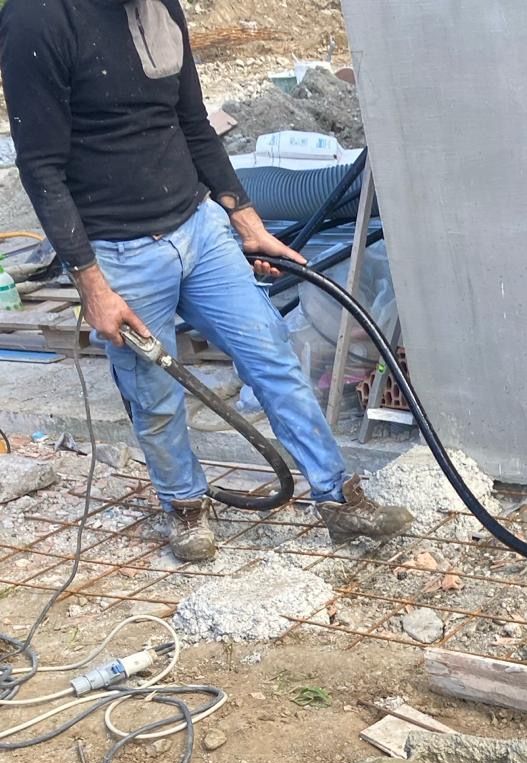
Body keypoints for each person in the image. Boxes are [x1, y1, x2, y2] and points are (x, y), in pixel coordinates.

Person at [0, 0, 412, 562]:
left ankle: (337, 496)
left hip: (199, 227)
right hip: (118, 250)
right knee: (156, 395)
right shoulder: (38, 18)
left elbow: (193, 121)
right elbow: (40, 165)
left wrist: (245, 220)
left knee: (272, 355)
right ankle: (186, 506)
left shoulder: (158, 7)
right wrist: (92, 285)